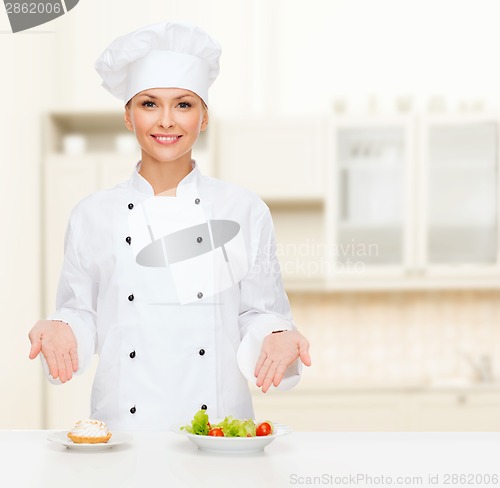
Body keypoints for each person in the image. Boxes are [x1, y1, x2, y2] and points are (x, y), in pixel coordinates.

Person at [28, 21, 311, 431]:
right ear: (127, 116)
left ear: (204, 116)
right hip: (123, 429)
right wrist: (62, 327)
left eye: (183, 104)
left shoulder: (243, 210)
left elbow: (257, 312)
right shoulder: (92, 214)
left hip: (218, 429)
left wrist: (277, 334)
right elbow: (81, 311)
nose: (166, 121)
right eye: (148, 104)